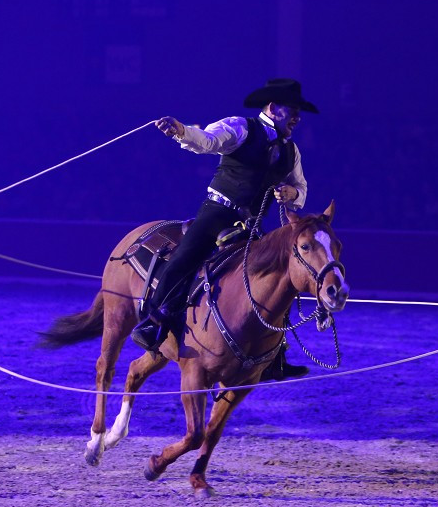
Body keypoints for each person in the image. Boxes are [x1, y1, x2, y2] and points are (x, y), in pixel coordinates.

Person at [132, 78, 318, 380]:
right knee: (185, 259)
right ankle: (156, 321)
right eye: (292, 110)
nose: (297, 117)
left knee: (278, 279)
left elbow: (302, 188)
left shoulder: (291, 152)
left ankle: (274, 356)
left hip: (252, 224)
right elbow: (207, 141)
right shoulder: (241, 127)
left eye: (298, 112)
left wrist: (291, 194)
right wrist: (181, 131)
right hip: (218, 212)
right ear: (273, 108)